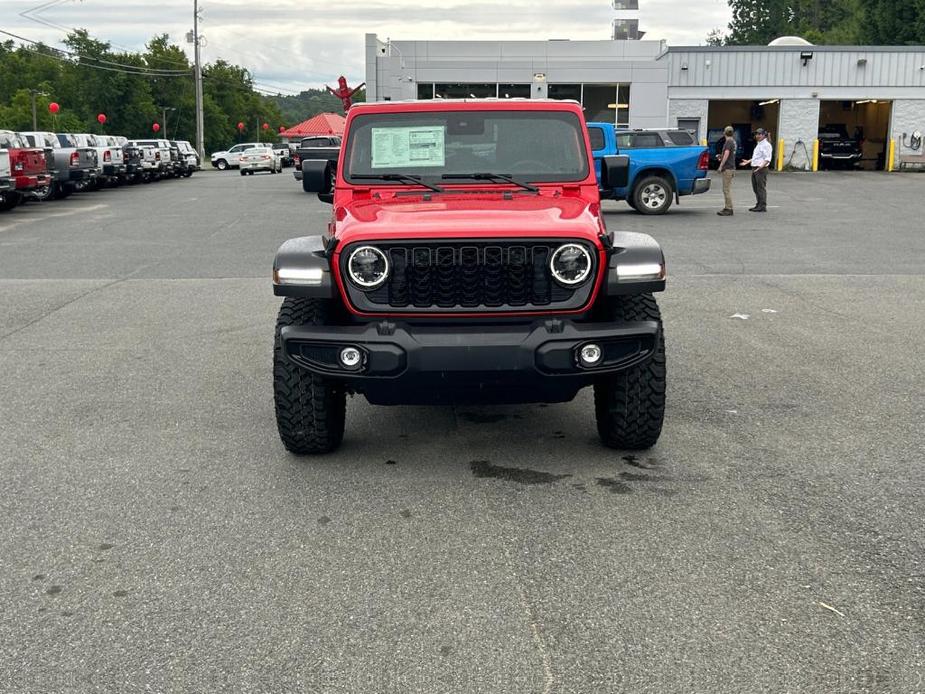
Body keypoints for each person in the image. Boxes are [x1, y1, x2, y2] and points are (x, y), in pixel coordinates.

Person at [741, 128, 773, 212]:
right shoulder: (759, 144)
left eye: (759, 134)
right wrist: (748, 161)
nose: (757, 136)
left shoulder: (766, 145)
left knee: (760, 188)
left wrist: (760, 167)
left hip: (761, 169)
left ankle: (762, 206)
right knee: (755, 188)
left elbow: (767, 159)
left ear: (763, 135)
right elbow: (757, 157)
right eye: (756, 134)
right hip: (756, 168)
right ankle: (759, 203)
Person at [717, 125, 737, 216]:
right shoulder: (733, 141)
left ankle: (729, 208)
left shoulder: (728, 142)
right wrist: (720, 157)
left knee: (726, 189)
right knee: (726, 189)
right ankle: (727, 207)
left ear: (724, 132)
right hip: (731, 167)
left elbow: (727, 154)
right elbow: (729, 155)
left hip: (728, 168)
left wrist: (721, 166)